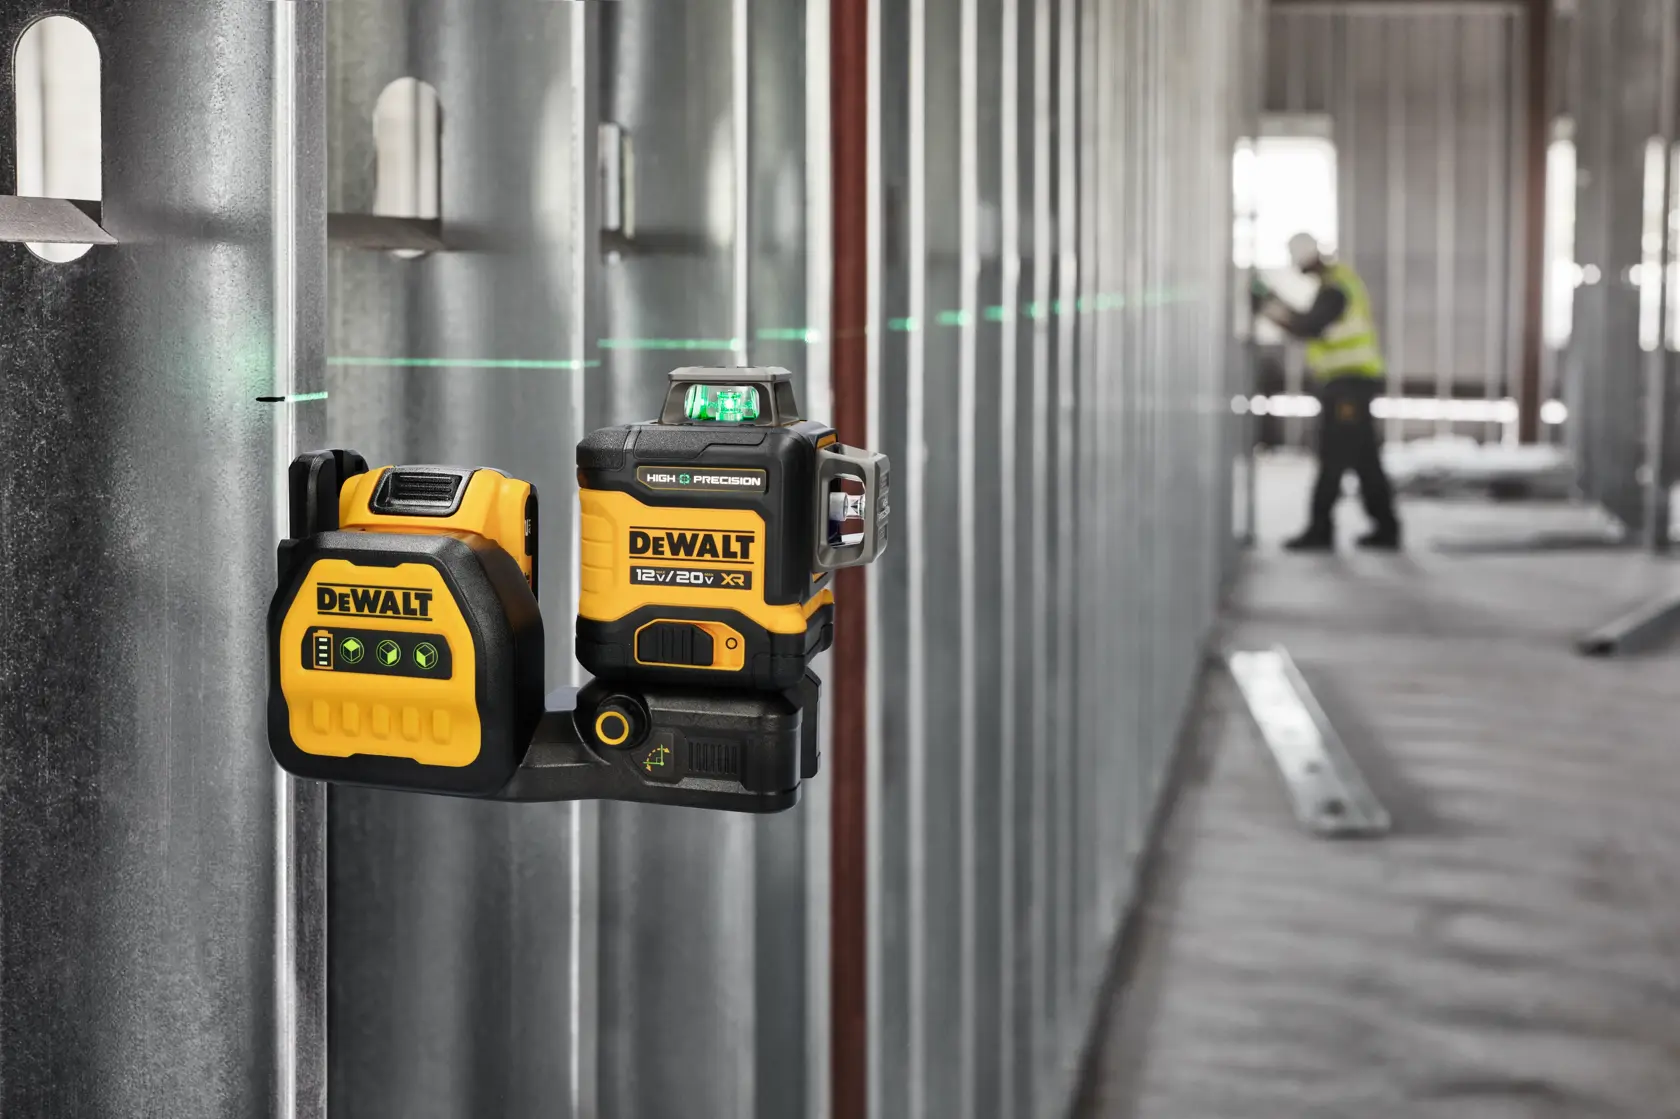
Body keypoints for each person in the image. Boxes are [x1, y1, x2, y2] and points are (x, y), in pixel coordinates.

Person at [1253, 233, 1401, 551]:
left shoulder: (1335, 289)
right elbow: (1308, 322)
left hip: (1349, 385)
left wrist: (1268, 308)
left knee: (1334, 454)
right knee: (1364, 457)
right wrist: (1274, 306)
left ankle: (1321, 529)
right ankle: (1386, 528)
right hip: (1351, 383)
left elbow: (1308, 326)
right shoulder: (1336, 284)